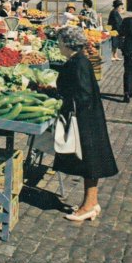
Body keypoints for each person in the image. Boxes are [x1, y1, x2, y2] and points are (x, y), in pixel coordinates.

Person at [53, 26, 119, 221]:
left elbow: (83, 93)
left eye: (59, 42)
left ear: (66, 43)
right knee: (89, 162)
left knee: (89, 162)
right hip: (89, 117)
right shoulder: (78, 60)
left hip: (84, 120)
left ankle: (88, 206)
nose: (58, 45)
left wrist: (62, 101)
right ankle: (91, 202)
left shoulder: (78, 62)